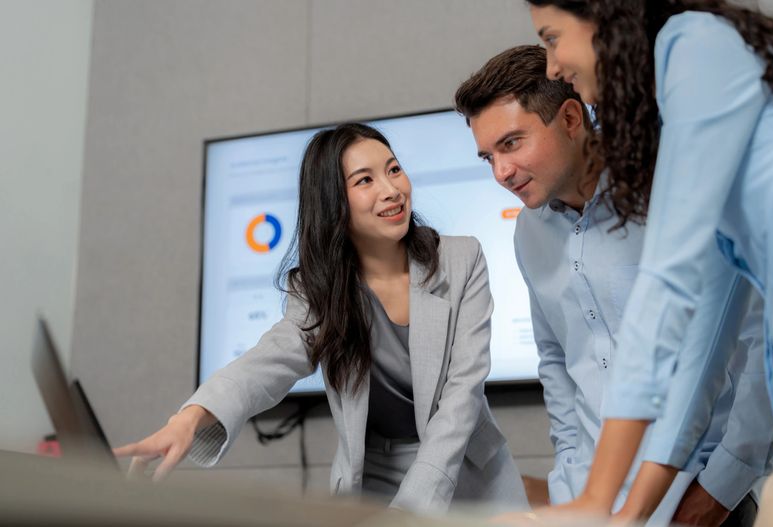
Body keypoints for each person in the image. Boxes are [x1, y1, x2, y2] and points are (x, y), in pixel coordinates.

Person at [113, 123, 529, 514]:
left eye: (394, 170)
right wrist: (191, 417)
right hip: (373, 477)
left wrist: (409, 513)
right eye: (365, 180)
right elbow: (268, 360)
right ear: (333, 202)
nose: (391, 190)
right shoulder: (318, 289)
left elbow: (462, 396)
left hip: (469, 472)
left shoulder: (462, 259)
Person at [454, 44, 773, 526]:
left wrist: (720, 489)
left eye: (512, 144)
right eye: (488, 157)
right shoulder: (529, 231)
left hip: (697, 501)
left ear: (569, 118)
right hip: (595, 505)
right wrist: (569, 474)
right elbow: (558, 363)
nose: (501, 172)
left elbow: (762, 341)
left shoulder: (671, 185)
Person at [522, 0, 773, 524]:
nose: (553, 65)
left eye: (552, 36)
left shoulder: (694, 44)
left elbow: (666, 285)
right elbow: (700, 348)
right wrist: (626, 513)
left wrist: (595, 501)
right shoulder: (694, 128)